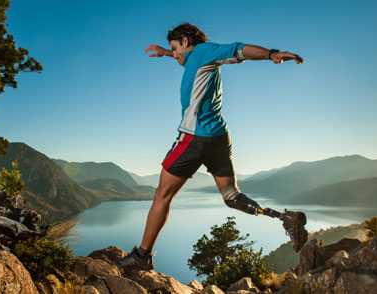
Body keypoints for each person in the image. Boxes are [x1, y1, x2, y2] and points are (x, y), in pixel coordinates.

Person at [117, 23, 308, 272]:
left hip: (193, 138)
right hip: (218, 137)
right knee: (231, 197)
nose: (174, 54)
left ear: (186, 41)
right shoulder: (197, 59)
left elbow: (239, 49)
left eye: (175, 48)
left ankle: (142, 255)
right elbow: (184, 61)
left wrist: (271, 53)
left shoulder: (206, 51)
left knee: (162, 195)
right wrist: (165, 52)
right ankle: (285, 217)